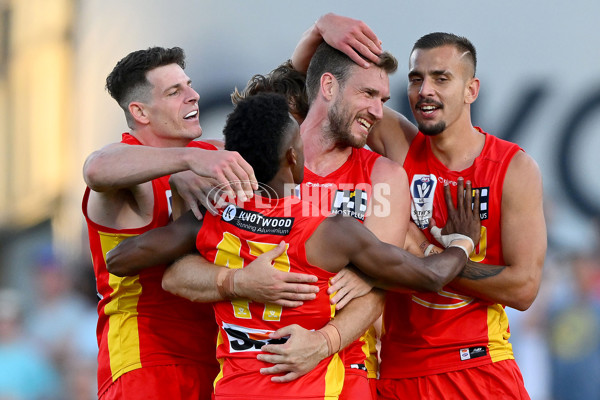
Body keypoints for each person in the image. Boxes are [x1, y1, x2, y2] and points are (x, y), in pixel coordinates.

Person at [106, 92, 481, 399]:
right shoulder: (330, 230)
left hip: (237, 392)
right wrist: (462, 243)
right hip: (314, 391)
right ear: (293, 157)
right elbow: (430, 277)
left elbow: (121, 259)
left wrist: (233, 278)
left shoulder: (213, 214)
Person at [297, 18, 547, 398]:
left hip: (477, 366)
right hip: (398, 370)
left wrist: (417, 257)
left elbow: (523, 288)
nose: (424, 91)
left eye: (441, 78)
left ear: (471, 90)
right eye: (416, 79)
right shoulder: (399, 142)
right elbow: (315, 88)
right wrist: (321, 29)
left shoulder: (512, 167)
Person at [82, 46, 263, 400]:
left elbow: (284, 143)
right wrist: (186, 162)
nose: (193, 96)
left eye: (189, 85)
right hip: (145, 364)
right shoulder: (128, 169)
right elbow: (95, 169)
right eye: (174, 92)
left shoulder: (210, 154)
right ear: (140, 112)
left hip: (218, 361)